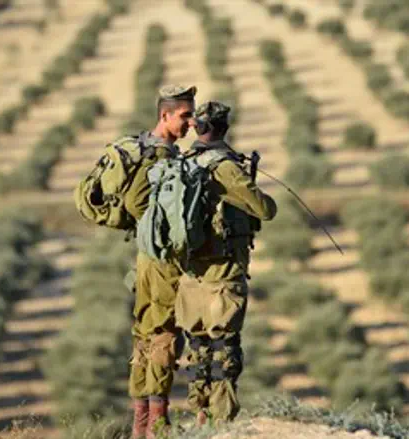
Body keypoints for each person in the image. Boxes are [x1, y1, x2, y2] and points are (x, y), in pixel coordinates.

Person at [174, 100, 277, 425]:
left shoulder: (183, 161)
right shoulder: (226, 167)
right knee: (223, 352)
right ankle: (222, 423)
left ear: (197, 127)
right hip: (224, 273)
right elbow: (265, 210)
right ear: (224, 127)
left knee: (198, 349)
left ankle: (199, 414)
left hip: (190, 275)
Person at [124, 84, 195, 439]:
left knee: (145, 334)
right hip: (161, 260)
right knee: (164, 336)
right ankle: (155, 426)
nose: (190, 123)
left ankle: (141, 426)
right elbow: (138, 203)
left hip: (146, 257)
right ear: (164, 115)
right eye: (185, 116)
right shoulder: (159, 155)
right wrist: (157, 225)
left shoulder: (152, 150)